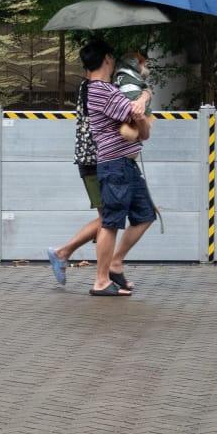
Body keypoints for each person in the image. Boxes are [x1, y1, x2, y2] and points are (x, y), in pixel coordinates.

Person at [82, 37, 155, 297]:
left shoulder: (111, 88)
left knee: (145, 215)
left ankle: (115, 263)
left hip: (127, 164)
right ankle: (100, 281)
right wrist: (142, 106)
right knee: (111, 222)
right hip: (114, 165)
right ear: (108, 59)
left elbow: (142, 131)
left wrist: (144, 98)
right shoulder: (101, 90)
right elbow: (137, 122)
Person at [44, 68, 104, 287]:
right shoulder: (92, 88)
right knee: (108, 219)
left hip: (92, 161)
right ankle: (64, 252)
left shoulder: (86, 87)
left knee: (108, 219)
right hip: (93, 162)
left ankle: (104, 272)